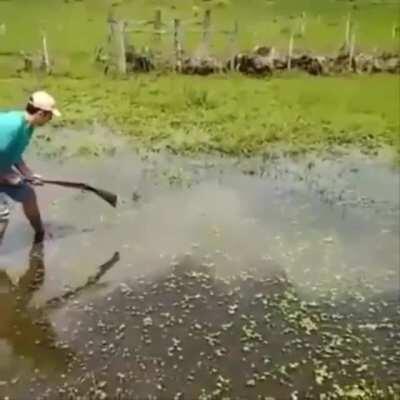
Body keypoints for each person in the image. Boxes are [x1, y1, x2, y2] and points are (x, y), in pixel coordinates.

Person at [0, 91, 61, 241]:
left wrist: (27, 173)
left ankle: (40, 234)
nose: (50, 119)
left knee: (28, 195)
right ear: (40, 113)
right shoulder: (11, 126)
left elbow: (13, 151)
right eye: (50, 115)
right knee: (2, 216)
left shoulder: (28, 127)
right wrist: (5, 177)